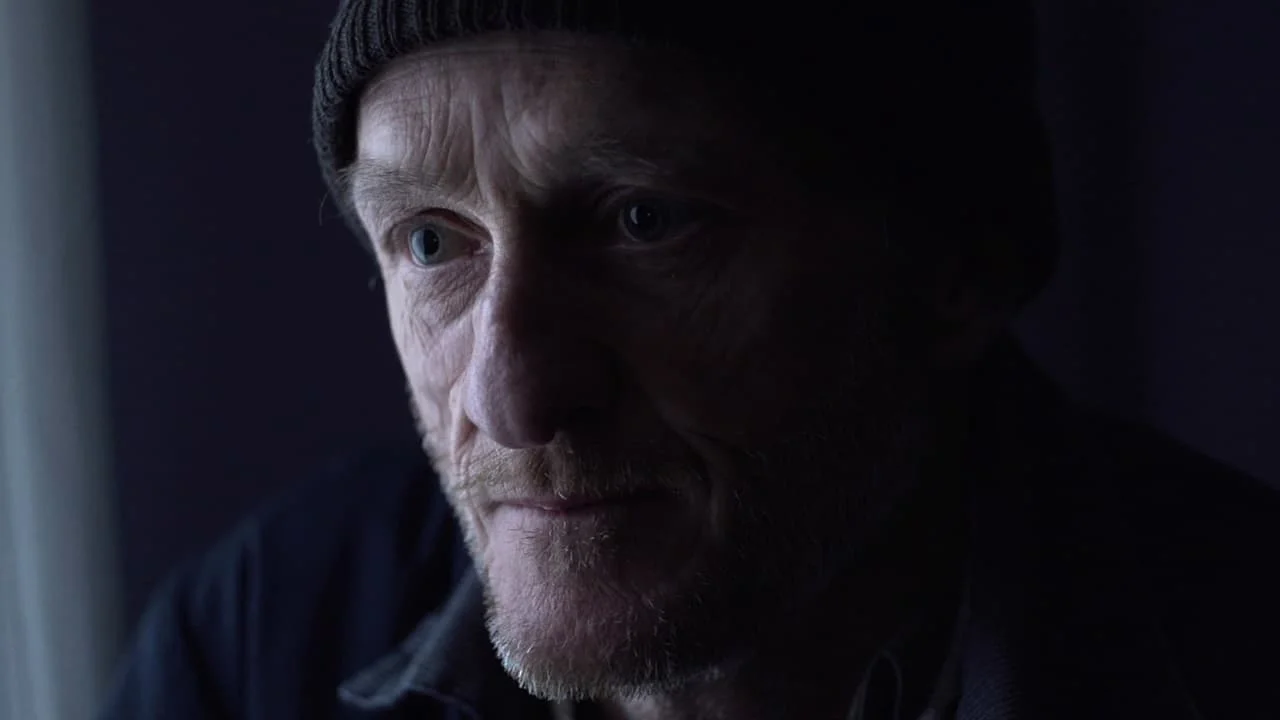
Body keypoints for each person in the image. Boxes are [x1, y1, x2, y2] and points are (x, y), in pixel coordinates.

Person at [99, 1, 1280, 719]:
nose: (511, 396)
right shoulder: (257, 641)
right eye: (429, 243)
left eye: (642, 221)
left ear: (955, 264)